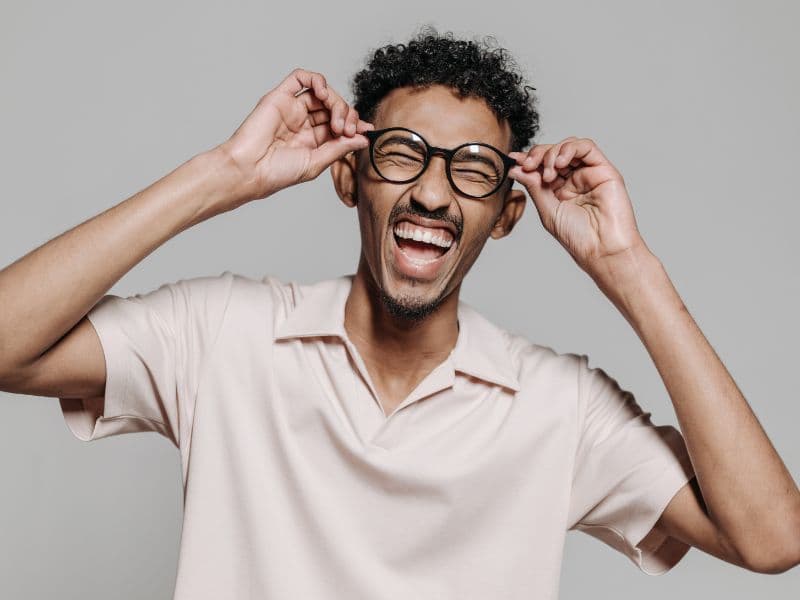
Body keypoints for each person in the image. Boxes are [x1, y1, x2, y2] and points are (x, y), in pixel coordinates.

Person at [0, 28, 798, 600]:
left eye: (475, 170)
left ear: (509, 215)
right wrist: (222, 175)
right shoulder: (223, 336)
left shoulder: (561, 409)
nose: (431, 192)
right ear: (349, 178)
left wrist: (630, 271)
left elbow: (772, 539)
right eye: (402, 153)